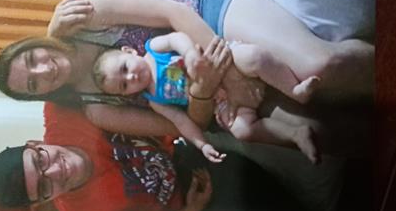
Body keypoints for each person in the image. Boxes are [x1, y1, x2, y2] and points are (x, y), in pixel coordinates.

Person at [0, 0, 373, 138]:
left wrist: (231, 76)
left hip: (205, 14)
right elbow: (187, 127)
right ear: (41, 95)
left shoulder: (79, 15)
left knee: (320, 67)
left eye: (32, 58)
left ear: (34, 44)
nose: (43, 69)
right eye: (33, 83)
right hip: (212, 91)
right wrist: (207, 91)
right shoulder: (98, 109)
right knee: (320, 132)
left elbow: (173, 13)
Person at [0, 102, 316, 211]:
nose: (55, 172)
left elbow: (63, 58)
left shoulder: (62, 112)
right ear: (45, 201)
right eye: (44, 187)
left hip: (181, 162)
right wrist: (191, 210)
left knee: (247, 182)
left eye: (40, 161)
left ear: (36, 143)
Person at [92, 31, 320, 163]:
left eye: (125, 68)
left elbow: (175, 38)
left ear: (129, 52)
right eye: (124, 85)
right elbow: (181, 122)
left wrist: (189, 53)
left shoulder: (153, 50)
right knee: (243, 131)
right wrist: (201, 144)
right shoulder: (155, 102)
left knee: (254, 57)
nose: (131, 77)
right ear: (127, 95)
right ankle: (295, 134)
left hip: (229, 68)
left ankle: (294, 90)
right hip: (222, 102)